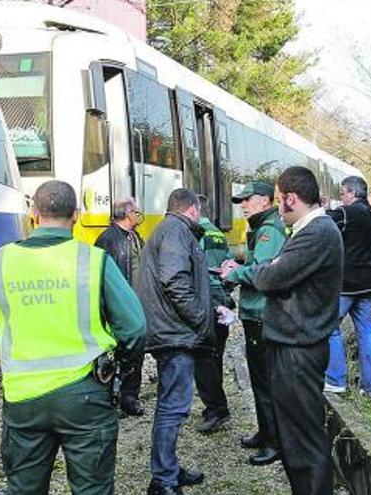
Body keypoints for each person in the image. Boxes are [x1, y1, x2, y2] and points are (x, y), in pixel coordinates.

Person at [0, 180, 146, 495]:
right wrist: (123, 367)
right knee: (92, 489)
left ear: (32, 213)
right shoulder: (92, 261)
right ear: (77, 215)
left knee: (24, 489)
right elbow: (134, 327)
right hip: (86, 393)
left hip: (23, 397)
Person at [252, 167, 343, 495]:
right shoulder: (311, 231)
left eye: (278, 201)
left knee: (303, 441)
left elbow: (267, 278)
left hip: (298, 353)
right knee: (295, 439)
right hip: (294, 347)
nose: (277, 208)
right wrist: (272, 268)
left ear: (291, 198)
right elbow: (273, 271)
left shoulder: (317, 232)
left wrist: (269, 269)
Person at [136, 188, 216, 495]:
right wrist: (200, 318)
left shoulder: (170, 230)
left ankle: (167, 468)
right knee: (173, 408)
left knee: (170, 405)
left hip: (170, 331)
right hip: (175, 334)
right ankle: (163, 480)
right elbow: (175, 281)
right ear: (193, 210)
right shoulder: (176, 232)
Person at [219, 181, 287, 466]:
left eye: (246, 200)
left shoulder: (268, 231)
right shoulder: (262, 227)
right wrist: (238, 266)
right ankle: (265, 432)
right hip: (255, 314)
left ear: (262, 201)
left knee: (264, 380)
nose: (242, 206)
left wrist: (234, 275)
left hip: (261, 314)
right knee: (259, 378)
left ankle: (274, 442)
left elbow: (261, 272)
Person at [323, 176, 371, 397]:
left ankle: (335, 379)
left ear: (352, 193)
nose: (342, 199)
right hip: (368, 283)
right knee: (367, 333)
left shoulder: (350, 212)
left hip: (346, 283)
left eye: (343, 194)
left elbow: (325, 220)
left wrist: (323, 207)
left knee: (329, 327)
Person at [94, 197, 147, 417]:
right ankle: (116, 398)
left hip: (134, 305)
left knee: (135, 353)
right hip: (118, 307)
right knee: (119, 353)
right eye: (136, 211)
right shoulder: (108, 240)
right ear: (128, 214)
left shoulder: (134, 236)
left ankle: (129, 398)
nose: (139, 214)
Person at [192, 195, 235, 434]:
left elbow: (197, 269)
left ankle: (217, 409)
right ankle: (216, 406)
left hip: (209, 300)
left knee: (203, 359)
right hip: (223, 298)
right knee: (215, 356)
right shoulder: (218, 233)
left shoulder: (198, 234)